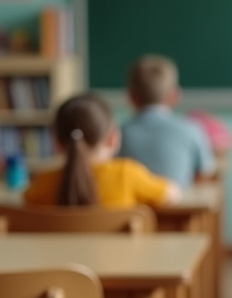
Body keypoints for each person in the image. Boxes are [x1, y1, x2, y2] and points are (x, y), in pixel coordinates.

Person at [24, 92, 181, 208]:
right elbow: (171, 194)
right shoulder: (126, 174)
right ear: (112, 139)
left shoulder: (44, 182)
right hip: (120, 254)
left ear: (56, 143)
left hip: (58, 254)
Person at [118, 55, 216, 188]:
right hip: (182, 207)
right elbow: (204, 173)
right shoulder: (191, 130)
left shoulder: (116, 135)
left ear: (131, 97)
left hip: (130, 209)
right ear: (174, 96)